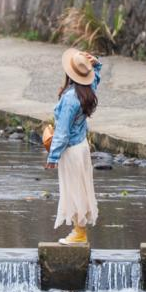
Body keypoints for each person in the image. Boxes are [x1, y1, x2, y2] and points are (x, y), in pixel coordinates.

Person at [45, 48, 102, 245]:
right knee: (82, 188)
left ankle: (79, 233)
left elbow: (62, 132)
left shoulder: (70, 98)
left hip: (71, 151)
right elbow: (96, 79)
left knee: (74, 189)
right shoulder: (87, 91)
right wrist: (96, 65)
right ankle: (80, 231)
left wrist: (53, 157)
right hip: (82, 146)